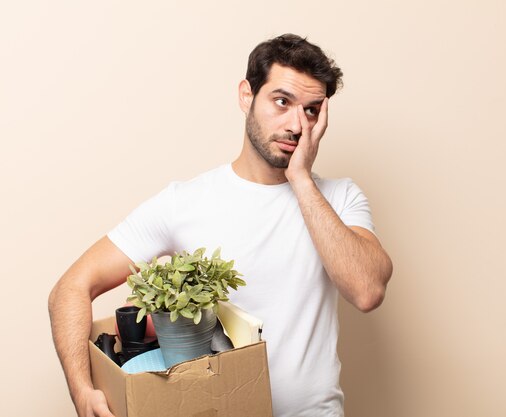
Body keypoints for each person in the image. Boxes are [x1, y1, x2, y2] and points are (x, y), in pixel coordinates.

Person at [49, 33, 393, 417]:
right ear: (246, 95)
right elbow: (70, 288)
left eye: (311, 110)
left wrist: (301, 180)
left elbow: (367, 291)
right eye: (282, 102)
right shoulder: (184, 202)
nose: (297, 125)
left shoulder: (340, 198)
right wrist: (82, 390)